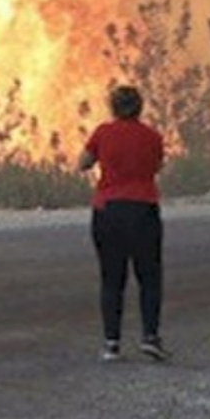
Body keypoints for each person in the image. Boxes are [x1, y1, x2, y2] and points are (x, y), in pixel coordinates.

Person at [78, 85, 170, 362]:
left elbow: (83, 163)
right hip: (143, 210)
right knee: (149, 277)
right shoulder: (152, 136)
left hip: (108, 210)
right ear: (140, 107)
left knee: (112, 279)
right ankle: (150, 337)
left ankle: (111, 344)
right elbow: (156, 166)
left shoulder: (103, 133)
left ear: (113, 107)